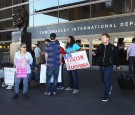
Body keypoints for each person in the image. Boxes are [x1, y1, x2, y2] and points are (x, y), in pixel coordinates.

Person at [93, 33, 120, 102]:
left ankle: (106, 95)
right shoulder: (100, 46)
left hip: (109, 66)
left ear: (108, 38)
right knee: (103, 80)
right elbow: (97, 55)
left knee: (106, 79)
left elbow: (116, 57)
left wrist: (117, 65)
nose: (102, 39)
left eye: (103, 38)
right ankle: (110, 86)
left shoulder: (112, 47)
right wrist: (94, 54)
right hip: (101, 66)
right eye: (101, 38)